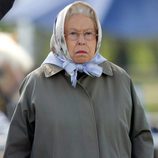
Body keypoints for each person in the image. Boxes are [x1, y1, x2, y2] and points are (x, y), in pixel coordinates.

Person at [3, 1, 154, 158]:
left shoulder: (120, 79)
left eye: (88, 33)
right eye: (73, 33)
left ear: (97, 37)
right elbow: (17, 149)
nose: (81, 40)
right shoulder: (36, 83)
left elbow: (141, 137)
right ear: (60, 36)